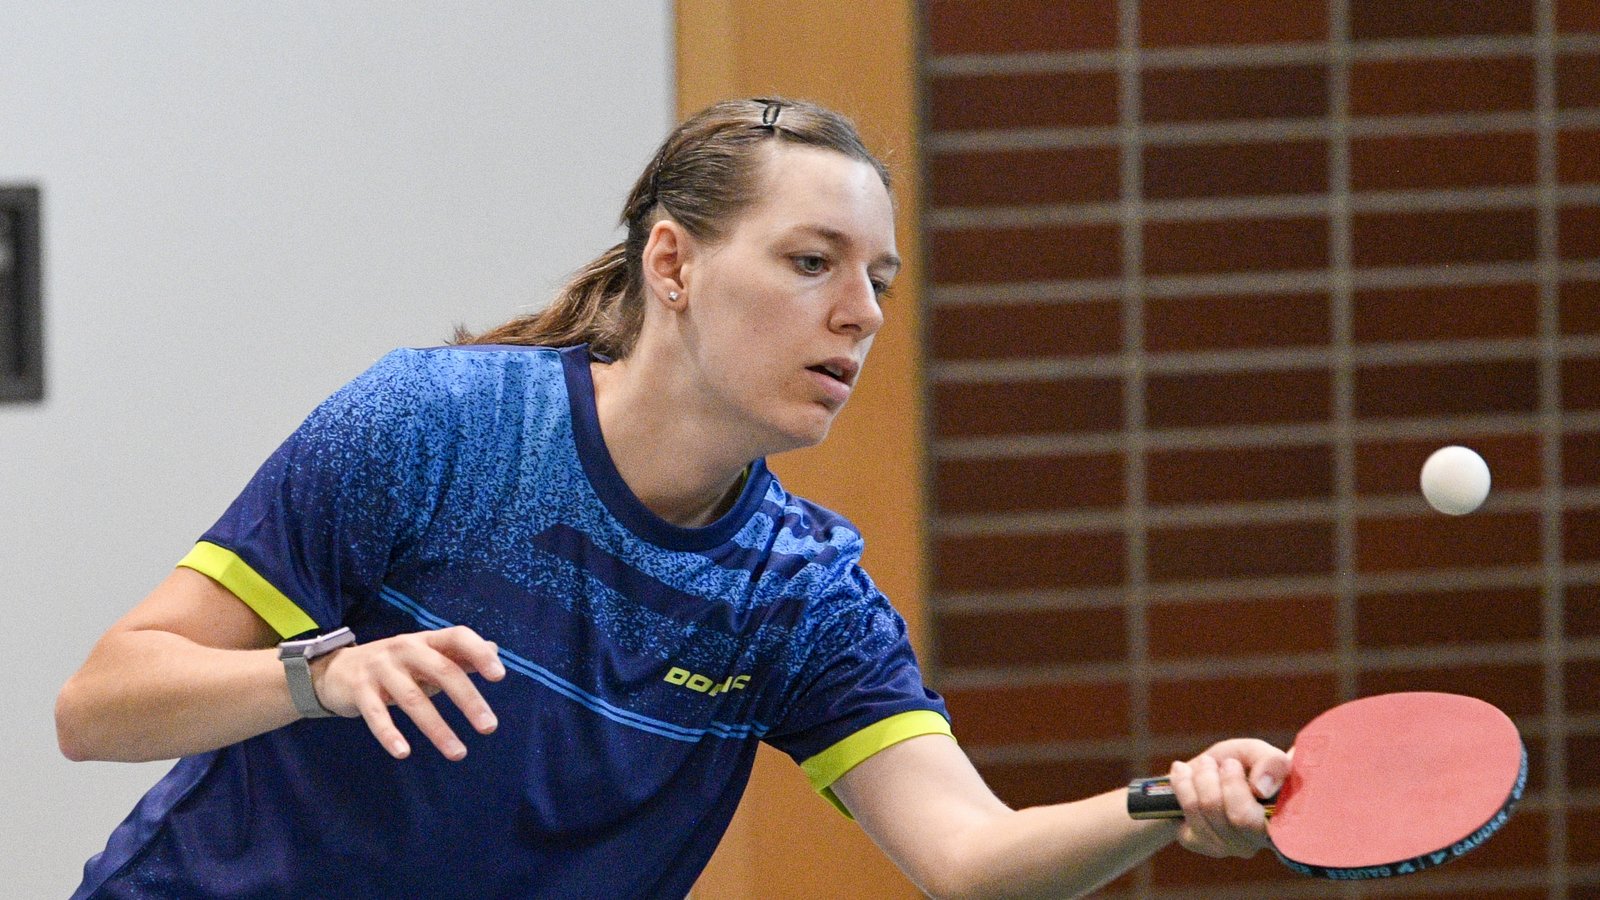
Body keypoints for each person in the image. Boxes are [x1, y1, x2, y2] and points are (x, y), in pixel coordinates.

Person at [56, 97, 1289, 899]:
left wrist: (1166, 800)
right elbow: (100, 706)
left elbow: (969, 860)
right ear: (673, 264)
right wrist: (314, 676)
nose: (859, 313)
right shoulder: (437, 427)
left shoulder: (798, 595)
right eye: (811, 264)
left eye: (879, 278)